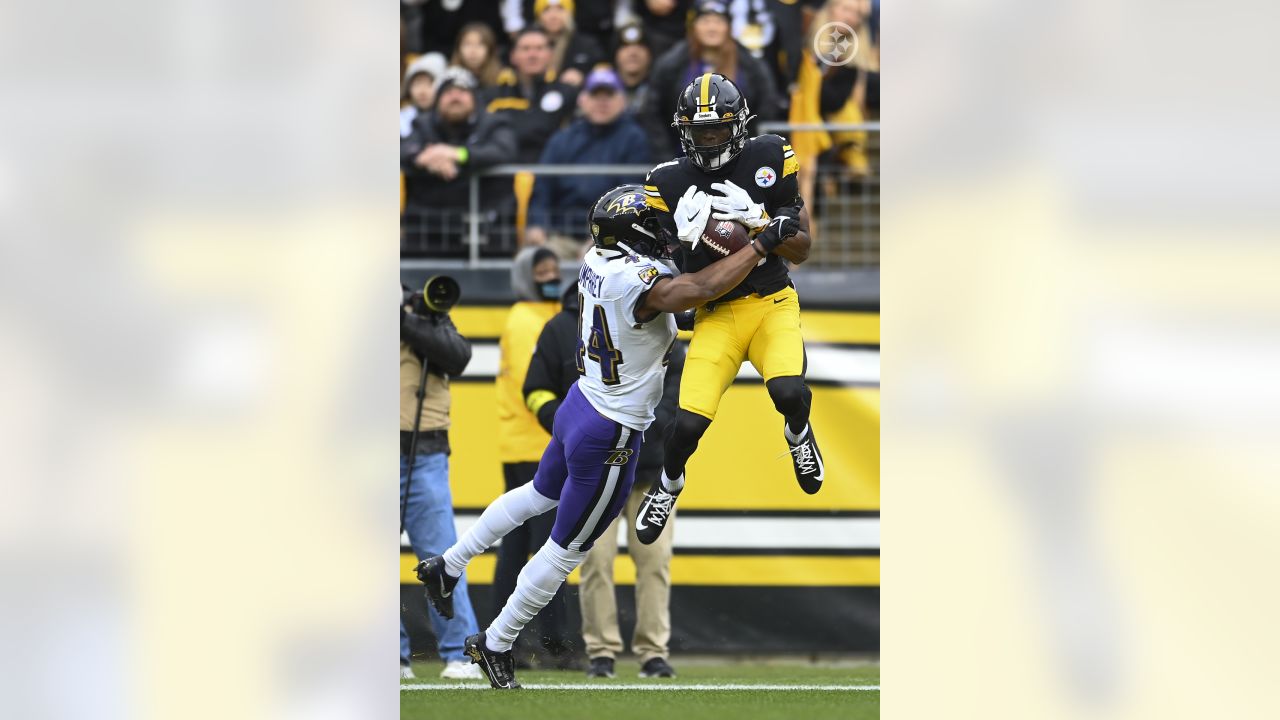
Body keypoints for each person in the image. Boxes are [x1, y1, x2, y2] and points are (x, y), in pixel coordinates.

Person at [415, 184, 786, 689]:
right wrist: (758, 246)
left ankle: (449, 565)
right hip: (610, 426)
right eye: (652, 224)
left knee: (535, 496)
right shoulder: (635, 279)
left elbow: (672, 282)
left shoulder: (600, 257)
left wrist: (694, 233)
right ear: (631, 234)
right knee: (567, 548)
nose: (662, 231)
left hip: (582, 404)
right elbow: (692, 293)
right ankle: (497, 641)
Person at [633, 73, 824, 546]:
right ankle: (669, 484)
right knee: (686, 425)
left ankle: (799, 435)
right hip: (716, 313)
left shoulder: (769, 155)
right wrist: (680, 241)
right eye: (702, 132)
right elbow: (662, 270)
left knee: (789, 391)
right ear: (685, 132)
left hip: (771, 303)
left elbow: (802, 250)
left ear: (738, 126)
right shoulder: (667, 181)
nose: (711, 140)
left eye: (718, 130)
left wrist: (762, 221)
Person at [521, 278, 683, 680]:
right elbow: (536, 389)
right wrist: (569, 431)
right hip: (594, 470)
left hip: (648, 472)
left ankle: (653, 652)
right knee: (595, 561)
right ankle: (601, 651)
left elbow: (677, 398)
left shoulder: (662, 325)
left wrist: (630, 431)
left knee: (655, 562)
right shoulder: (561, 328)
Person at [489, 246, 577, 667]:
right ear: (526, 276)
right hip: (537, 446)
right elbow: (536, 386)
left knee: (516, 545)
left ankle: (505, 641)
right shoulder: (528, 320)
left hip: (522, 443)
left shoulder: (526, 316)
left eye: (554, 269)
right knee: (550, 548)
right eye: (541, 271)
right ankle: (556, 644)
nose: (550, 276)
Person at [399, 280, 483, 681]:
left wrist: (405, 321)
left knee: (442, 558)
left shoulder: (424, 311)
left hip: (425, 452)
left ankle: (460, 654)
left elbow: (458, 357)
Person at [525, 67, 651, 259]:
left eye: (608, 95)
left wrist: (602, 237)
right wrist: (537, 226)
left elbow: (631, 197)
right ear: (582, 100)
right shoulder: (563, 139)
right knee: (532, 259)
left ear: (622, 100)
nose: (602, 102)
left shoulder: (634, 138)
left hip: (616, 237)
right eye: (595, 95)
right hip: (562, 235)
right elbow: (542, 189)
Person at [400, 68, 517, 256]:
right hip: (428, 230)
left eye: (462, 92)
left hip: (485, 228)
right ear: (437, 100)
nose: (455, 97)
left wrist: (458, 154)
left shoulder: (494, 123)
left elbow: (504, 150)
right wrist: (422, 157)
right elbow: (403, 149)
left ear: (474, 98)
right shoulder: (422, 124)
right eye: (448, 93)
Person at [647, 0, 780, 158]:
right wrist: (666, 155)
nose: (712, 28)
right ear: (693, 27)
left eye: (718, 21)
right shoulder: (672, 63)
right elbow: (651, 109)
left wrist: (750, 150)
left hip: (739, 156)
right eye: (705, 21)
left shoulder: (751, 65)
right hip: (683, 155)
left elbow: (767, 106)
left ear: (728, 27)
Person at [484, 27, 578, 164]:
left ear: (550, 55)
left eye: (539, 48)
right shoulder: (494, 96)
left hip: (552, 175)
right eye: (526, 49)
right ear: (513, 56)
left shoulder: (567, 93)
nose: (532, 55)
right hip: (503, 176)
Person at [533, 0, 604, 87]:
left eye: (560, 9)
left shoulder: (587, 45)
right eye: (546, 10)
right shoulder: (528, 43)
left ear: (570, 14)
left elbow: (603, 72)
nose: (553, 16)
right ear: (538, 16)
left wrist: (583, 77)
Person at [400, 52, 447, 139]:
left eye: (429, 84)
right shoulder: (401, 121)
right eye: (417, 84)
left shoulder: (450, 119)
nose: (422, 91)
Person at [451, 22, 505, 88]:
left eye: (480, 44)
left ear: (490, 49)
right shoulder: (449, 79)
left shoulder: (504, 79)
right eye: (467, 44)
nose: (473, 50)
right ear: (458, 48)